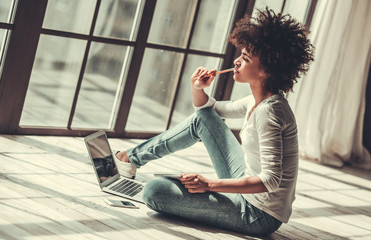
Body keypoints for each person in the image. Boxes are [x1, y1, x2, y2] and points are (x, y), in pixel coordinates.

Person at [115, 8, 314, 236]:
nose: (237, 61)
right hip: (248, 185)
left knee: (153, 192)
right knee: (205, 118)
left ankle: (130, 161)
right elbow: (208, 112)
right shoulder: (259, 100)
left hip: (259, 214)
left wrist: (209, 184)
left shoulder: (270, 114)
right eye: (240, 54)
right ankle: (130, 159)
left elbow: (270, 180)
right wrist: (197, 88)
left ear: (266, 71)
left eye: (246, 58)